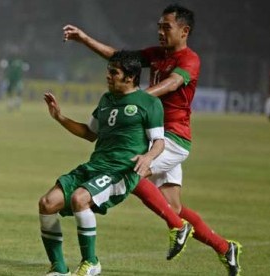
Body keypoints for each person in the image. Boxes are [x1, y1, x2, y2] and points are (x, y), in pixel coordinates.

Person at [63, 4, 241, 276]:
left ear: (185, 31)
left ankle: (177, 228)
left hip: (172, 137)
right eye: (159, 26)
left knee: (130, 170)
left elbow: (171, 84)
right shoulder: (157, 54)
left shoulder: (189, 59)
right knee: (174, 206)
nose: (160, 31)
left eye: (166, 27)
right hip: (152, 133)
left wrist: (136, 98)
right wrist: (84, 39)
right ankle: (224, 247)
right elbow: (120, 58)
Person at [39, 51, 188, 276]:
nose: (108, 76)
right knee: (47, 203)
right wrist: (60, 117)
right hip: (95, 165)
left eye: (113, 72)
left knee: (81, 198)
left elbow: (159, 142)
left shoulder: (149, 103)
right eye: (109, 71)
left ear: (130, 77)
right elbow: (90, 134)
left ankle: (91, 263)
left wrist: (148, 158)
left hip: (121, 171)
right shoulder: (106, 99)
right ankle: (59, 269)